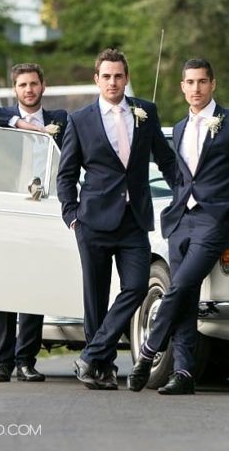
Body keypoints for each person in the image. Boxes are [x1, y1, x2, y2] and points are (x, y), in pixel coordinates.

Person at [128, 58, 229, 395]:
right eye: (190, 82)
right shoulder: (179, 128)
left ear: (213, 84)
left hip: (215, 221)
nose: (196, 88)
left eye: (202, 81)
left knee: (178, 287)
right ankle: (184, 372)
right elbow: (183, 176)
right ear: (182, 86)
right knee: (186, 296)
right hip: (180, 221)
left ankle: (147, 352)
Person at [57, 48, 176, 390]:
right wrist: (71, 215)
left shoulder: (145, 113)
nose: (113, 82)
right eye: (106, 76)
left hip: (134, 220)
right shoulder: (80, 120)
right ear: (97, 79)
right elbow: (66, 174)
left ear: (126, 78)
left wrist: (185, 195)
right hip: (92, 221)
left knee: (136, 287)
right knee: (94, 299)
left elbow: (166, 160)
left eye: (118, 76)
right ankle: (103, 368)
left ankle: (90, 356)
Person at [0, 62, 67, 383]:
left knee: (34, 287)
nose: (29, 89)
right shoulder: (2, 118)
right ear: (15, 89)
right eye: (23, 85)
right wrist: (20, 123)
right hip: (7, 211)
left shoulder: (59, 120)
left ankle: (26, 361)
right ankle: (2, 363)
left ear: (43, 86)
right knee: (5, 286)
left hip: (43, 212)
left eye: (34, 83)